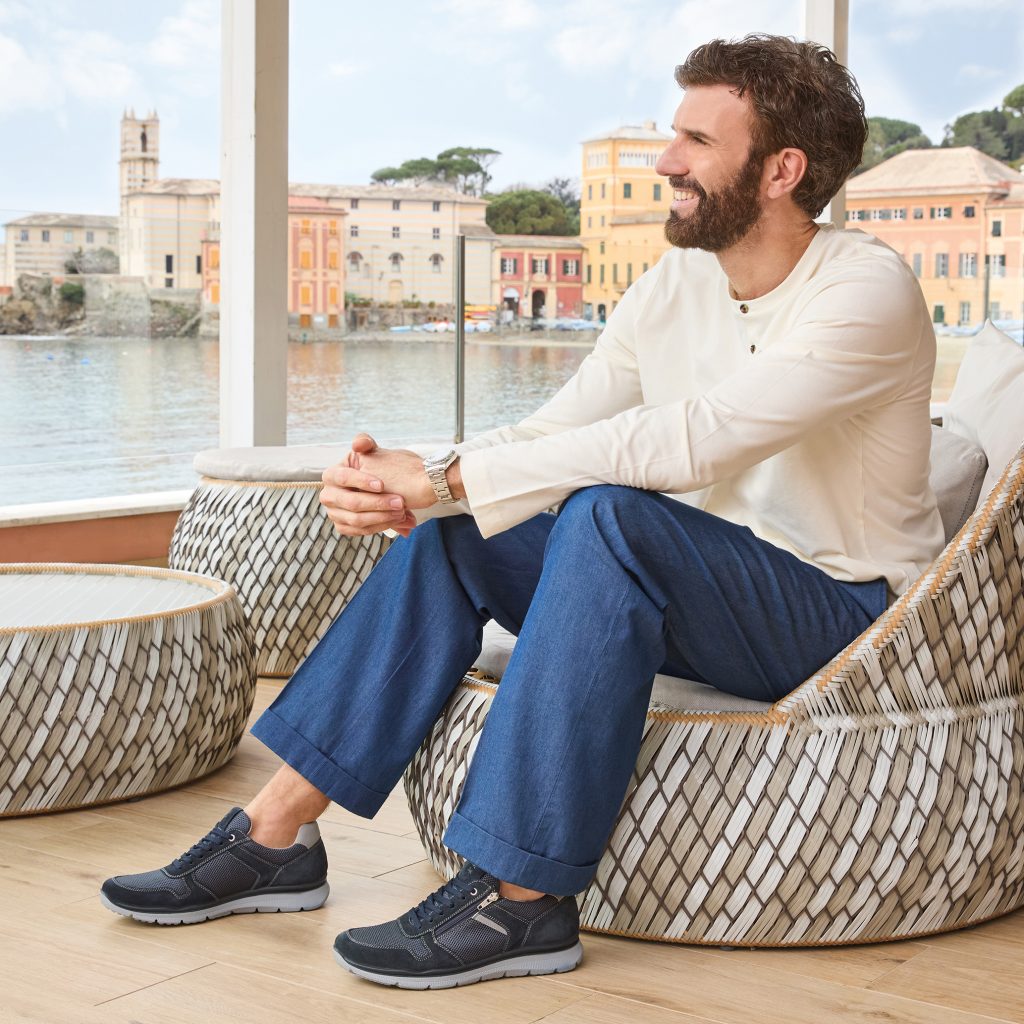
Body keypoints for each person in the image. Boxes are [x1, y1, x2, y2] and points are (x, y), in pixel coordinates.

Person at [100, 34, 945, 990]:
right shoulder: (677, 284)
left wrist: (452, 477)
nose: (665, 161)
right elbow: (556, 430)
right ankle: (275, 836)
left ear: (782, 171)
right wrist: (422, 482)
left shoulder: (865, 290)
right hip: (700, 598)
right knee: (467, 530)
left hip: (843, 618)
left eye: (697, 142)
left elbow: (696, 442)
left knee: (608, 516)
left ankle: (521, 899)